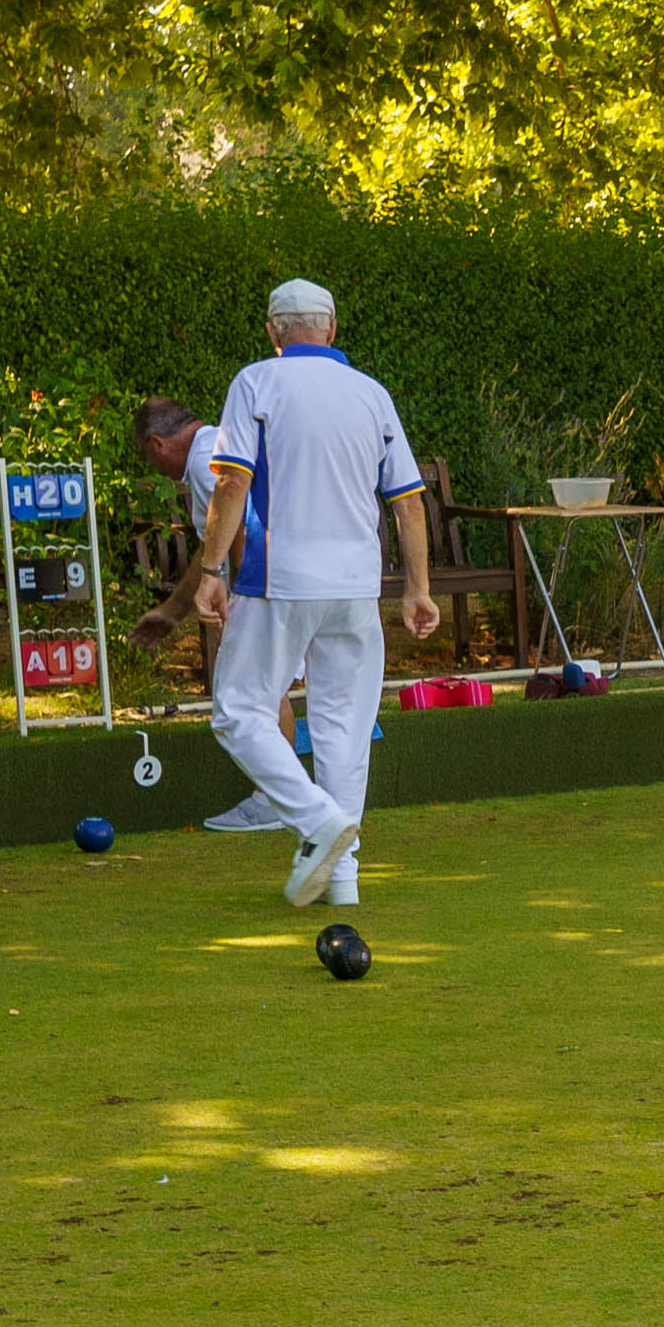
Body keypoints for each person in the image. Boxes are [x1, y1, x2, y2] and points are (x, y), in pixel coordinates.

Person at [192, 279, 441, 906]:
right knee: (344, 730)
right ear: (331, 328)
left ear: (274, 332)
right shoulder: (372, 395)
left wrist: (211, 571)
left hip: (279, 580)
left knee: (239, 711)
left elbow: (229, 487)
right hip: (356, 588)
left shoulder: (255, 382)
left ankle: (316, 821)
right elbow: (409, 504)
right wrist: (418, 589)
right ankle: (344, 881)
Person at [128, 397, 294, 835]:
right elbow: (212, 549)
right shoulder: (221, 443)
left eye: (148, 457)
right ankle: (284, 798)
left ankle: (279, 799)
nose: (153, 467)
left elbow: (240, 533)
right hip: (297, 578)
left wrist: (243, 602)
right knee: (266, 685)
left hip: (268, 584)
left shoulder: (206, 463)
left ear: (158, 444)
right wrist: (172, 612)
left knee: (245, 694)